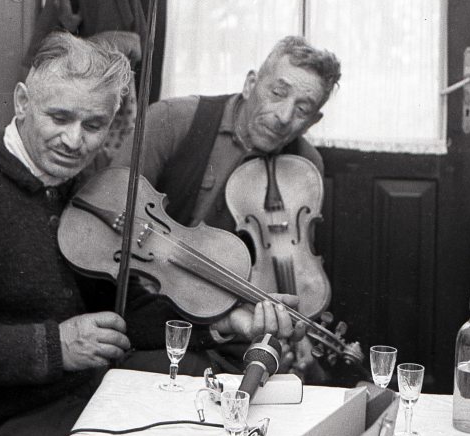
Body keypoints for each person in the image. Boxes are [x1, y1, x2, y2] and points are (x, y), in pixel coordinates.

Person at [0, 32, 300, 436]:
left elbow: (120, 315)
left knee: (197, 435)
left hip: (60, 400)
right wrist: (55, 346)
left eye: (94, 125)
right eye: (59, 117)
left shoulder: (81, 187)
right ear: (22, 102)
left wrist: (221, 322)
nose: (74, 140)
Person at [135, 35, 342, 376]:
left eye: (302, 109)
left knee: (307, 383)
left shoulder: (306, 165)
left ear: (313, 121)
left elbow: (293, 265)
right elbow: (116, 209)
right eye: (277, 92)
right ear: (250, 84)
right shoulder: (172, 119)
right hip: (158, 308)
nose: (284, 116)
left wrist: (296, 325)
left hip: (239, 323)